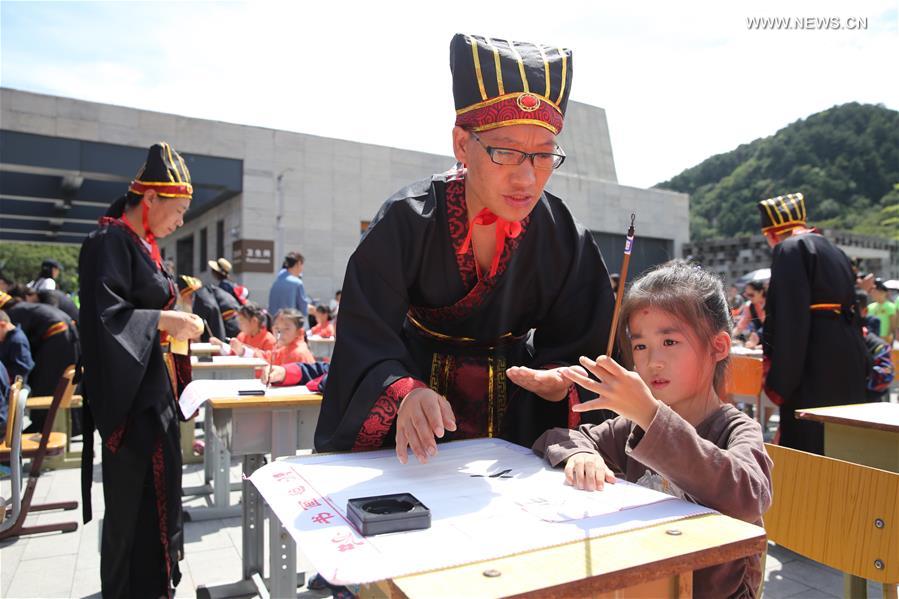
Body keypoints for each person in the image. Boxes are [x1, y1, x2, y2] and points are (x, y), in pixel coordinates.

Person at [313, 34, 615, 460]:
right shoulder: (408, 219)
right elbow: (366, 335)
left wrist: (558, 377)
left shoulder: (562, 231)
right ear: (461, 145)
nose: (527, 179)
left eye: (544, 156)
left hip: (518, 410)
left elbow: (584, 338)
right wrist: (403, 391)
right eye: (506, 153)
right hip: (420, 403)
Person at [533, 260, 772, 599]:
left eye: (670, 342)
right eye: (641, 346)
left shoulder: (736, 429)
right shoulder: (633, 425)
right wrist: (584, 454)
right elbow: (562, 436)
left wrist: (651, 414)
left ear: (718, 347)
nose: (651, 362)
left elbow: (748, 497)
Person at [78, 142, 203, 598]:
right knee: (134, 507)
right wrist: (166, 320)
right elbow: (105, 319)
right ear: (149, 199)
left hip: (153, 395)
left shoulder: (141, 246)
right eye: (179, 209)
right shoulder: (107, 242)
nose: (181, 220)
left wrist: (174, 322)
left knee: (159, 503)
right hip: (132, 405)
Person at [758, 193, 867, 455]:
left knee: (809, 446)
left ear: (772, 234)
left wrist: (780, 380)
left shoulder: (790, 249)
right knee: (844, 445)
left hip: (814, 363)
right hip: (849, 360)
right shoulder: (835, 250)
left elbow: (789, 317)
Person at [1, 289, 79, 433]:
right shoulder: (21, 308)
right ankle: (61, 426)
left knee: (44, 382)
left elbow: (18, 348)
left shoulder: (13, 314)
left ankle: (43, 426)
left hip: (56, 336)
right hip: (64, 334)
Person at [0, 306, 35, 433]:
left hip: (15, 389)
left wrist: (13, 382)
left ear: (2, 325)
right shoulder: (10, 338)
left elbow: (24, 367)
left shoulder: (16, 340)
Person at [240, 308, 314, 365]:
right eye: (277, 328)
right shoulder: (285, 349)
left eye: (286, 329)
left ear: (298, 332)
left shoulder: (298, 353)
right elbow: (268, 357)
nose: (280, 333)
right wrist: (243, 351)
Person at [212, 302, 276, 356]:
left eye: (242, 321)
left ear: (254, 321)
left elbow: (268, 360)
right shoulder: (241, 336)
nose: (239, 325)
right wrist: (221, 346)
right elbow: (233, 354)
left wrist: (244, 351)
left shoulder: (269, 340)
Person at [176, 275, 226, 342]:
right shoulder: (203, 294)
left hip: (212, 344)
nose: (185, 302)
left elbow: (196, 332)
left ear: (187, 295)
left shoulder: (199, 302)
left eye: (183, 299)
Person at [268, 252, 310, 318]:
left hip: (275, 324)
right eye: (302, 265)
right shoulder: (297, 283)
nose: (302, 269)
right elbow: (303, 310)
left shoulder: (276, 282)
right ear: (298, 263)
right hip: (289, 324)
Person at [732, 281, 766, 345]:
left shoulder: (771, 304)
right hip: (760, 342)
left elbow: (771, 326)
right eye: (747, 295)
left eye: (751, 295)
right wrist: (730, 336)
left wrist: (758, 335)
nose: (749, 298)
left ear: (761, 292)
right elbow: (741, 326)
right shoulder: (750, 306)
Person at [867, 278, 896, 345]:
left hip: (886, 337)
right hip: (872, 338)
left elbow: (893, 325)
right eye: (873, 292)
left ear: (883, 292)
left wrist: (889, 336)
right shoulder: (870, 307)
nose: (874, 294)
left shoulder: (891, 306)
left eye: (876, 291)